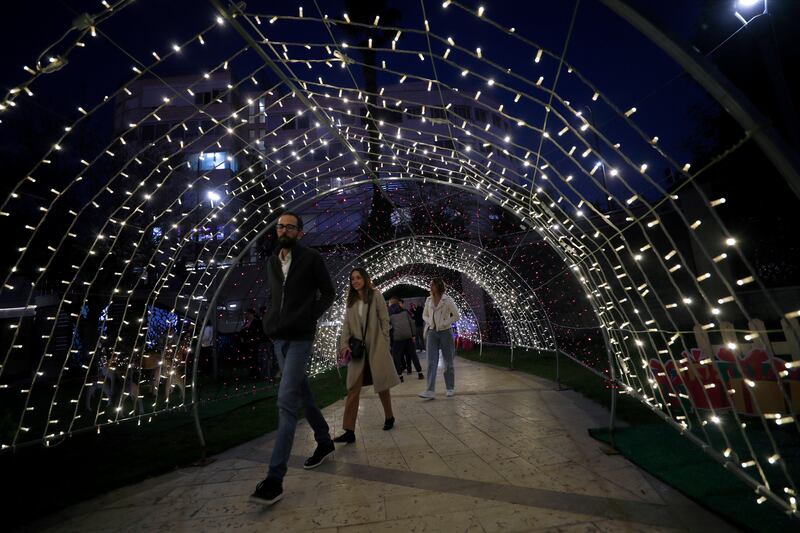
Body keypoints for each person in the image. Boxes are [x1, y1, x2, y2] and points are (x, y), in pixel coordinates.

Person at [250, 212, 336, 506]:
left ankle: (275, 479)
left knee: (286, 402)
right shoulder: (271, 262)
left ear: (300, 232)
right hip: (279, 339)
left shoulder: (311, 258)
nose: (284, 230)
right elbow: (275, 298)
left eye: (290, 226)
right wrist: (269, 323)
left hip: (300, 338)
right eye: (280, 226)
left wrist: (308, 316)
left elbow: (329, 292)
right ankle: (324, 441)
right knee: (303, 393)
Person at [334, 268, 400, 444]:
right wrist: (344, 345)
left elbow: (384, 319)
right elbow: (346, 326)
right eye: (352, 279)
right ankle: (349, 430)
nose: (355, 281)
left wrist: (385, 342)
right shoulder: (351, 301)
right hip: (358, 350)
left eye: (358, 277)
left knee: (381, 384)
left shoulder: (375, 295)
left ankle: (389, 416)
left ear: (365, 278)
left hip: (376, 346)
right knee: (353, 388)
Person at [418, 278, 460, 399]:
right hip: (432, 332)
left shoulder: (447, 300)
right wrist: (430, 322)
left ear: (438, 286)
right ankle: (430, 390)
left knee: (448, 361)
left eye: (433, 285)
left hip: (445, 332)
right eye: (430, 284)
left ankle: (450, 388)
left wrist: (444, 323)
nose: (430, 286)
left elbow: (456, 315)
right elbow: (424, 315)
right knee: (431, 362)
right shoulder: (428, 300)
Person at [389, 298, 423, 380]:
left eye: (389, 303)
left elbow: (389, 327)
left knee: (396, 356)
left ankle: (400, 376)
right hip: (408, 336)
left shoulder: (390, 315)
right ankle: (420, 373)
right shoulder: (405, 312)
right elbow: (412, 323)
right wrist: (413, 335)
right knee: (413, 355)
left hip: (397, 338)